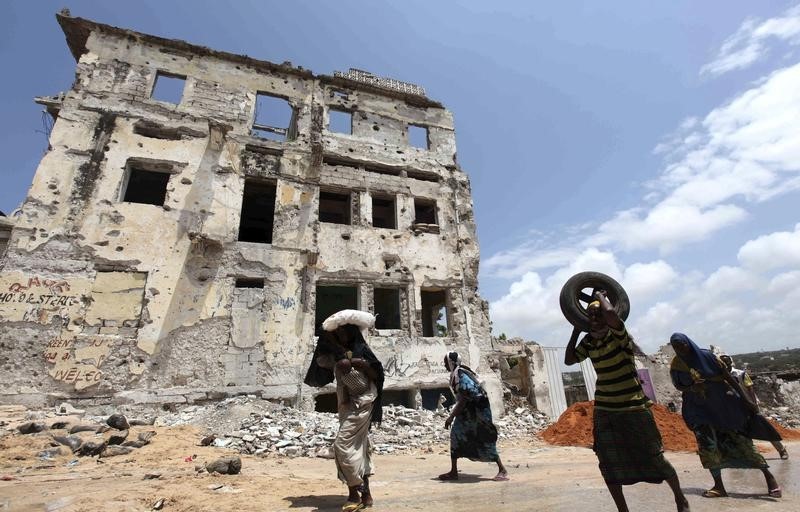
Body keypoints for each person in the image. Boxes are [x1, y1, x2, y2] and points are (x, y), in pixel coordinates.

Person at [565, 292, 689, 512]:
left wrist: (601, 295)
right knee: (608, 463)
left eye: (598, 313)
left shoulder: (618, 334)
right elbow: (569, 359)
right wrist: (577, 326)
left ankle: (680, 498)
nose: (594, 317)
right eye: (590, 314)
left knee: (654, 456)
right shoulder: (589, 341)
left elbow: (612, 313)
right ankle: (623, 509)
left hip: (633, 406)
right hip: (605, 408)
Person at [670, 333, 782, 499]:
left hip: (722, 407)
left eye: (682, 345)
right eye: (676, 347)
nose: (680, 349)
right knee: (707, 446)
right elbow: (679, 386)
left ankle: (770, 479)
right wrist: (692, 388)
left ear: (689, 344)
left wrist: (746, 400)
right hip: (698, 411)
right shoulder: (677, 364)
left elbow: (729, 379)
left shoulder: (708, 357)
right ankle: (719, 486)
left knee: (741, 441)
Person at [304, 318, 384, 512]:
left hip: (362, 404)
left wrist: (361, 365)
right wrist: (330, 339)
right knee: (359, 448)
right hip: (346, 406)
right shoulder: (337, 354)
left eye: (342, 332)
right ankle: (363, 496)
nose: (339, 335)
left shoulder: (361, 351)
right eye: (337, 333)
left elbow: (377, 374)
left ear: (350, 332)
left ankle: (357, 490)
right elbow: (321, 362)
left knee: (342, 445)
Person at [437, 351, 509, 482]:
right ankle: (453, 471)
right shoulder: (456, 374)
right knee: (456, 435)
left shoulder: (461, 375)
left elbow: (465, 397)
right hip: (467, 412)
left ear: (451, 362)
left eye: (445, 362)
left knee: (483, 437)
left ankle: (502, 469)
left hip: (477, 412)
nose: (444, 365)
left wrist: (451, 416)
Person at [719, 354, 788, 459]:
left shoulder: (740, 374)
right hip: (734, 408)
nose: (725, 363)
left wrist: (753, 404)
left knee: (764, 428)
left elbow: (750, 388)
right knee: (738, 432)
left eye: (727, 361)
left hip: (748, 405)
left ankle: (781, 450)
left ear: (730, 362)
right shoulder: (720, 376)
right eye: (723, 362)